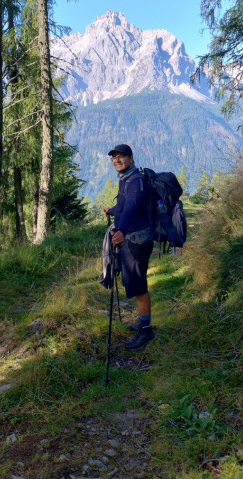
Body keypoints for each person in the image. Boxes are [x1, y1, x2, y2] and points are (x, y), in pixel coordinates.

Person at [103, 144, 155, 350]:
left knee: (138, 286)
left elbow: (133, 207)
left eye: (121, 157)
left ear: (131, 158)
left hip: (137, 240)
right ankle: (144, 323)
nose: (117, 160)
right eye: (114, 158)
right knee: (133, 283)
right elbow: (124, 206)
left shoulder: (135, 181)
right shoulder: (126, 179)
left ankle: (146, 331)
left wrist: (121, 231)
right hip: (131, 238)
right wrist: (113, 210)